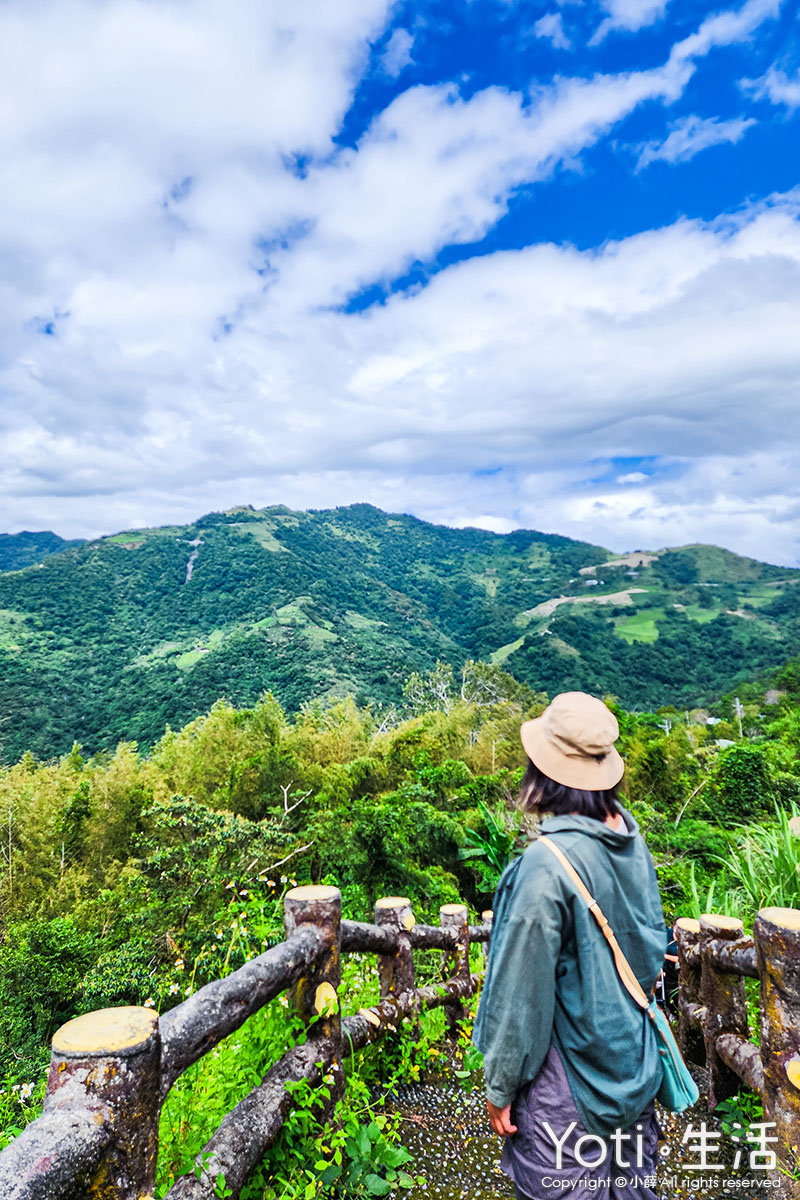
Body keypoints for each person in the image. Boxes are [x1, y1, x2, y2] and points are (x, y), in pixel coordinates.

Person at [472, 692, 667, 1200]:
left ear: (544, 772)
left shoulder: (545, 866)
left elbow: (520, 996)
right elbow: (647, 950)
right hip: (633, 1069)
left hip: (570, 1093)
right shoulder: (630, 839)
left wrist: (501, 1086)